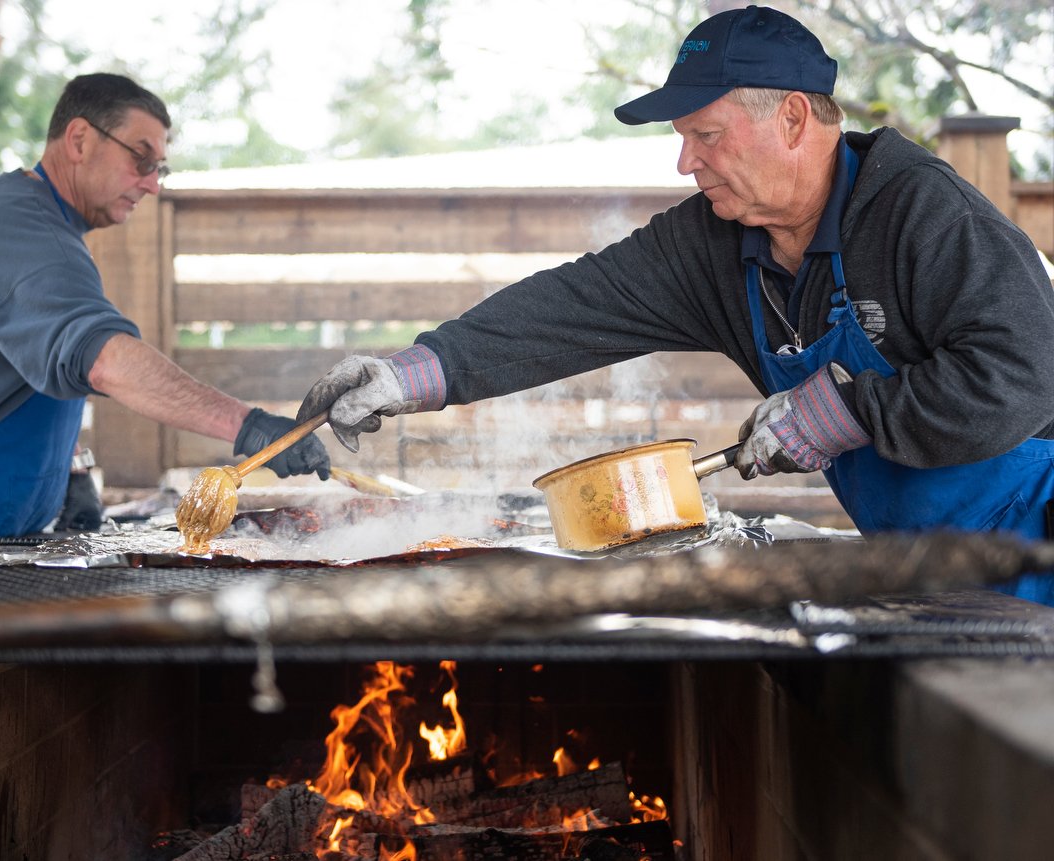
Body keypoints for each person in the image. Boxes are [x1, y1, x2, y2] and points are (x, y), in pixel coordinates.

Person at [296, 6, 1054, 604]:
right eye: (684, 138)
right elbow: (573, 304)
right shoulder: (715, 242)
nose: (685, 160)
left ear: (793, 119)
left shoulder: (923, 212)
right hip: (924, 570)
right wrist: (412, 375)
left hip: (1037, 550)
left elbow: (1027, 373)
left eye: (706, 135)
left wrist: (851, 410)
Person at [0, 73, 329, 563]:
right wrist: (251, 427)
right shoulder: (21, 231)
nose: (151, 183)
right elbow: (105, 362)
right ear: (80, 139)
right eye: (141, 159)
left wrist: (72, 470)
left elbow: (24, 373)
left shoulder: (40, 226)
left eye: (158, 168)